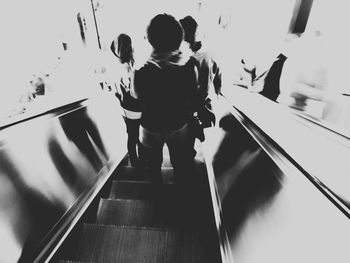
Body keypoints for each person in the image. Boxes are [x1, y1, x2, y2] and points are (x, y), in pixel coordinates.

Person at [132, 14, 198, 189]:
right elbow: (192, 95)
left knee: (152, 164)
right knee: (179, 161)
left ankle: (156, 191)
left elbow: (136, 96)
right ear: (179, 38)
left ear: (151, 38)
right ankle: (180, 188)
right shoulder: (188, 64)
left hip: (150, 126)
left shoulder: (141, 68)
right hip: (178, 124)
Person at [179, 15, 222, 127]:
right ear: (196, 31)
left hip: (190, 108)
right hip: (206, 104)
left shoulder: (185, 58)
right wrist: (217, 92)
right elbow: (218, 77)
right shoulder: (210, 52)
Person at [110, 33, 143, 167]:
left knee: (131, 133)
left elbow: (115, 89)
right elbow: (137, 91)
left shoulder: (116, 66)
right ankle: (139, 158)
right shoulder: (131, 67)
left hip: (125, 107)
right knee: (138, 133)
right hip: (135, 106)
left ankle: (134, 158)